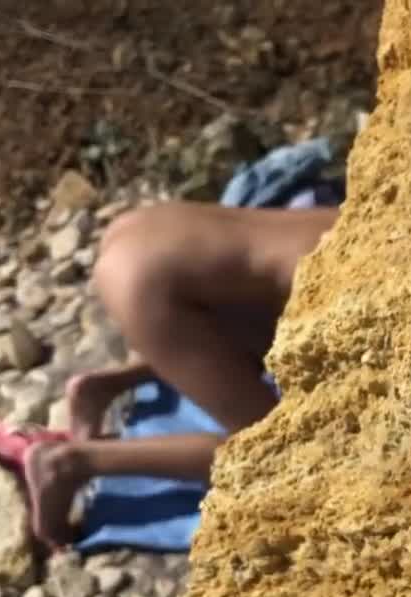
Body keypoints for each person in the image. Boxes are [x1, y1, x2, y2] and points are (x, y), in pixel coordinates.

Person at [21, 202, 339, 551]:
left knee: (268, 314)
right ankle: (70, 463)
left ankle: (105, 386)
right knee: (282, 452)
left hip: (151, 229)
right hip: (151, 288)